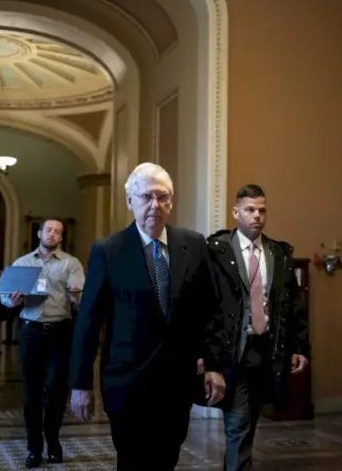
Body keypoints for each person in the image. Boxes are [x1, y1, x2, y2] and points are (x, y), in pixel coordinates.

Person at [69, 162, 228, 471]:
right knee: (132, 463)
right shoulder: (108, 250)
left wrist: (214, 365)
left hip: (176, 384)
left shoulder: (193, 244)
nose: (155, 205)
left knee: (166, 461)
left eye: (162, 196)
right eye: (146, 197)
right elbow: (88, 321)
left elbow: (210, 310)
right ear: (130, 201)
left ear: (171, 201)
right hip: (127, 383)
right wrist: (80, 384)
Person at [204, 184, 310, 471]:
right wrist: (208, 357)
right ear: (236, 212)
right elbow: (206, 305)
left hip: (267, 350)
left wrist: (299, 346)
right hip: (233, 351)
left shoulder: (278, 253)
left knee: (250, 422)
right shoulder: (217, 251)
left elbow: (292, 304)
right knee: (238, 422)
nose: (257, 216)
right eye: (250, 210)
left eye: (262, 210)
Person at [0, 218, 84, 468]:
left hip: (60, 331)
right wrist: (12, 301)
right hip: (31, 331)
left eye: (58, 232)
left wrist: (77, 295)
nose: (53, 234)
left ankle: (54, 442)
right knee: (32, 393)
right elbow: (5, 298)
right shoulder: (22, 263)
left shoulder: (71, 263)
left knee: (57, 390)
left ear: (61, 238)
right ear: (39, 233)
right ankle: (34, 449)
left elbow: (82, 297)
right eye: (49, 230)